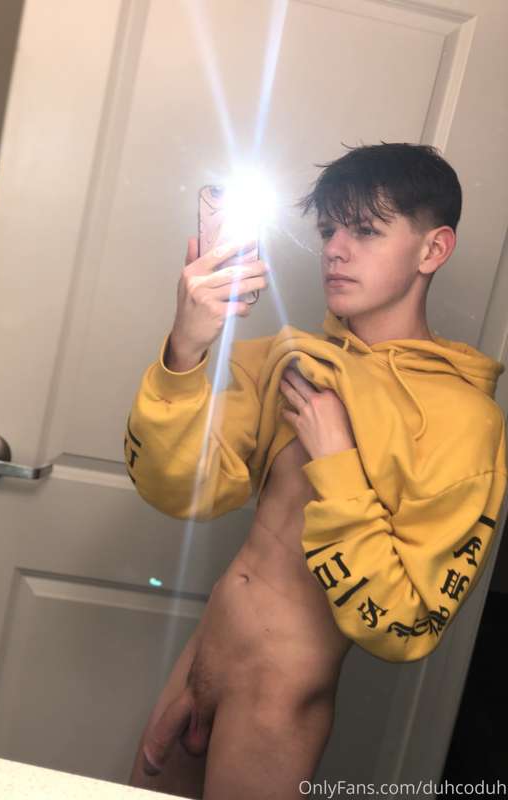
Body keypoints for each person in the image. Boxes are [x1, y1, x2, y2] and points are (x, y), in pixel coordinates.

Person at [123, 142, 507, 799]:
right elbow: (179, 489)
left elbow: (407, 624)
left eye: (366, 231)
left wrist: (337, 462)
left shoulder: (463, 419)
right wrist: (187, 346)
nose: (335, 250)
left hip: (276, 706)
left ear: (433, 249)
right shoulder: (291, 360)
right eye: (329, 230)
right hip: (198, 667)